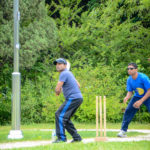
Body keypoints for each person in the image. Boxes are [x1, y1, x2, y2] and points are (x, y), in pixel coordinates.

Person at [53, 58, 83, 143]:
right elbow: (79, 85)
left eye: (60, 64)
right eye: (57, 64)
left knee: (59, 115)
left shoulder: (64, 73)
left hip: (73, 98)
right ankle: (77, 138)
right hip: (78, 98)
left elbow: (58, 87)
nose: (58, 66)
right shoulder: (69, 73)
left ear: (65, 65)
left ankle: (61, 138)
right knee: (66, 118)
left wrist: (58, 91)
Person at [117, 63, 150, 137]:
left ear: (136, 69)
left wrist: (141, 101)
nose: (129, 70)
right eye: (128, 69)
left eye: (131, 68)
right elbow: (130, 91)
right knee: (128, 111)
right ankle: (123, 131)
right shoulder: (129, 79)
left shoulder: (143, 77)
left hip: (148, 96)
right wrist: (127, 97)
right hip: (137, 96)